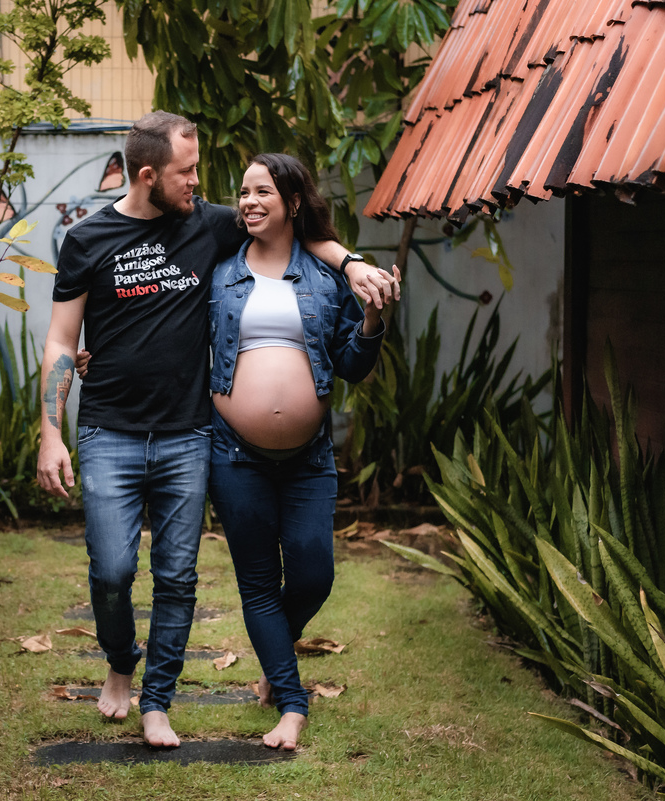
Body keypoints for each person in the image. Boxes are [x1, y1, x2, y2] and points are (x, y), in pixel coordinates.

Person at [36, 111, 399, 748]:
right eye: (188, 171)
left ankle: (158, 703)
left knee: (180, 577)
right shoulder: (87, 238)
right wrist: (51, 431)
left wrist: (351, 265)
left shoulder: (209, 225)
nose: (202, 185)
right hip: (112, 431)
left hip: (186, 434)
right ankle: (122, 663)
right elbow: (63, 339)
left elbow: (293, 226)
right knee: (112, 572)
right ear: (149, 176)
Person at [207, 154, 395, 751]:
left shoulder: (324, 278)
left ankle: (273, 656)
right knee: (259, 582)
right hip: (234, 453)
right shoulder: (218, 268)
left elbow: (350, 366)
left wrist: (368, 320)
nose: (249, 201)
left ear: (292, 201)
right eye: (243, 192)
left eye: (263, 191)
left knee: (314, 574)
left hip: (308, 456)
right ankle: (292, 703)